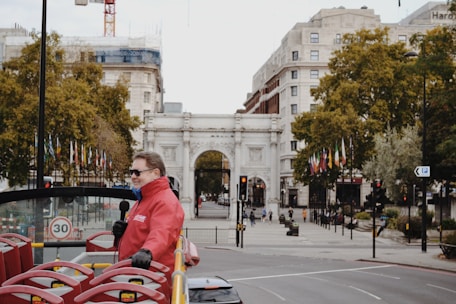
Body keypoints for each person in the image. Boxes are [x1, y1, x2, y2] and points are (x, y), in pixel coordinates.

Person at [112, 151, 184, 287]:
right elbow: (142, 230)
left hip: (151, 280)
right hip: (135, 275)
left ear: (155, 173)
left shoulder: (164, 201)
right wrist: (122, 232)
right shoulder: (144, 198)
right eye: (131, 172)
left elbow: (162, 233)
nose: (133, 177)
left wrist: (147, 252)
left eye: (137, 172)